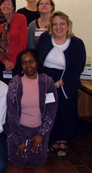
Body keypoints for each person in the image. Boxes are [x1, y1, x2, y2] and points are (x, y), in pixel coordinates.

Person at [36, 11, 86, 161]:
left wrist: (58, 83)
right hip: (46, 80)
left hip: (66, 83)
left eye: (62, 24)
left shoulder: (77, 43)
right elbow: (37, 58)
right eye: (55, 24)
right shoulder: (45, 38)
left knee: (65, 111)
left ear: (68, 25)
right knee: (50, 112)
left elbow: (78, 69)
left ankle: (63, 142)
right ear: (51, 26)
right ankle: (54, 140)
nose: (58, 27)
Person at [5, 48, 58, 167]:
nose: (28, 65)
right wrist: (19, 140)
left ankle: (34, 141)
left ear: (37, 62)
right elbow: (12, 113)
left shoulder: (48, 82)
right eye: (24, 63)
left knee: (37, 162)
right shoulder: (15, 82)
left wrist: (41, 135)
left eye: (31, 61)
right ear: (21, 65)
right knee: (18, 161)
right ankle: (11, 140)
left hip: (38, 129)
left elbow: (51, 112)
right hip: (19, 128)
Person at [0, 0, 27, 84]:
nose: (6, 6)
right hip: (1, 62)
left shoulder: (21, 18)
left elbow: (22, 43)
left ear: (13, 6)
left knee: (17, 90)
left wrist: (13, 62)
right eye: (3, 3)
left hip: (17, 62)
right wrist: (5, 61)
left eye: (9, 3)